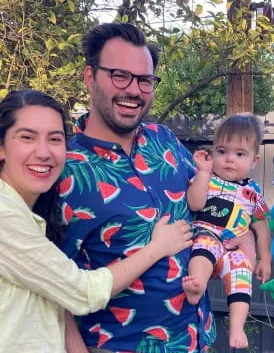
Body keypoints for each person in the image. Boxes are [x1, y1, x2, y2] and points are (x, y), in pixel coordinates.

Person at [59, 23, 216, 353]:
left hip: (196, 340)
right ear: (90, 77)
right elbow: (55, 291)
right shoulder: (64, 170)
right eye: (120, 75)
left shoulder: (164, 140)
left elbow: (206, 208)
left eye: (144, 80)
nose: (134, 90)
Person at [0, 89, 193, 353]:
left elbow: (54, 295)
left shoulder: (29, 210)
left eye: (55, 139)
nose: (43, 152)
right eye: (27, 137)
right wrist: (157, 248)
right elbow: (81, 292)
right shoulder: (5, 217)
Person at [182, 114, 272, 349]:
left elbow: (261, 226)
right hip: (208, 235)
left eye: (239, 154)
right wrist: (202, 174)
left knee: (242, 274)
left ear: (254, 160)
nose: (229, 159)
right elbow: (194, 203)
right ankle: (197, 284)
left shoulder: (253, 192)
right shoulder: (207, 179)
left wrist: (265, 259)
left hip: (234, 249)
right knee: (204, 247)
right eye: (222, 151)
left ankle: (236, 327)